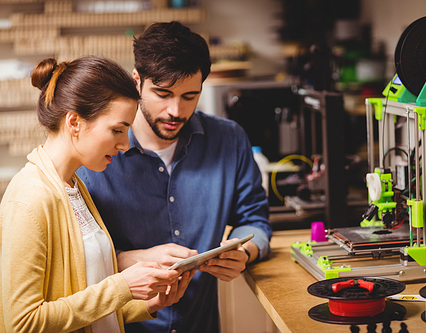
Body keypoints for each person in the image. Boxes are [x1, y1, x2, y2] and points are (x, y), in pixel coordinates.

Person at [76, 21, 273, 332]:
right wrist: (131, 258)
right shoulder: (93, 157)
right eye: (162, 93)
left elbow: (256, 220)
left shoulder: (229, 140)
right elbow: (73, 260)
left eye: (189, 96)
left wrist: (244, 252)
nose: (175, 110)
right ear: (137, 81)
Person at [0, 56, 195, 333]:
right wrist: (122, 286)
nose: (125, 145)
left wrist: (148, 303)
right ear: (75, 123)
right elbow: (23, 322)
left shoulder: (74, 187)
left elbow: (84, 296)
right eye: (117, 130)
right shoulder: (30, 199)